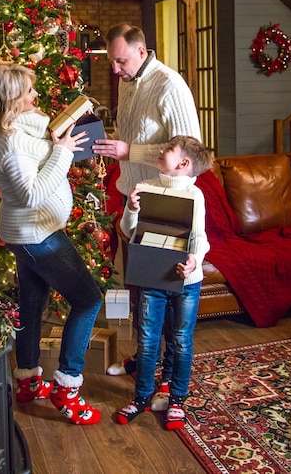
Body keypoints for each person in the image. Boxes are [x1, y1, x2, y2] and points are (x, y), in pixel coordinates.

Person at [0, 64, 103, 426]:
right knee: (89, 298)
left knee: (32, 301)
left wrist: (57, 133)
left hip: (31, 233)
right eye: (28, 92)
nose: (35, 96)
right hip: (37, 234)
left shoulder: (14, 128)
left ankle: (29, 380)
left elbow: (36, 138)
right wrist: (61, 151)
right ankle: (67, 387)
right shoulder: (10, 144)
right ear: (13, 99)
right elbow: (31, 195)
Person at [92, 23, 202, 381]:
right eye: (112, 62)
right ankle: (145, 358)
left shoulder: (170, 85)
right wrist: (112, 143)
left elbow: (191, 152)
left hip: (164, 203)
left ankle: (169, 373)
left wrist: (129, 150)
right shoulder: (127, 80)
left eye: (120, 61)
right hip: (133, 198)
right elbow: (134, 136)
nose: (115, 70)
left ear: (142, 51)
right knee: (139, 291)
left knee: (165, 291)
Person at [115, 135, 212, 430]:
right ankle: (142, 397)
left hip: (186, 280)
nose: (161, 151)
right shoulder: (145, 188)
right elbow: (130, 232)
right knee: (146, 341)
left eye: (168, 149)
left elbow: (199, 237)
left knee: (181, 341)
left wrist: (195, 260)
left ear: (183, 163)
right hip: (151, 277)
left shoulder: (195, 196)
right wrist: (131, 208)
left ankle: (177, 400)